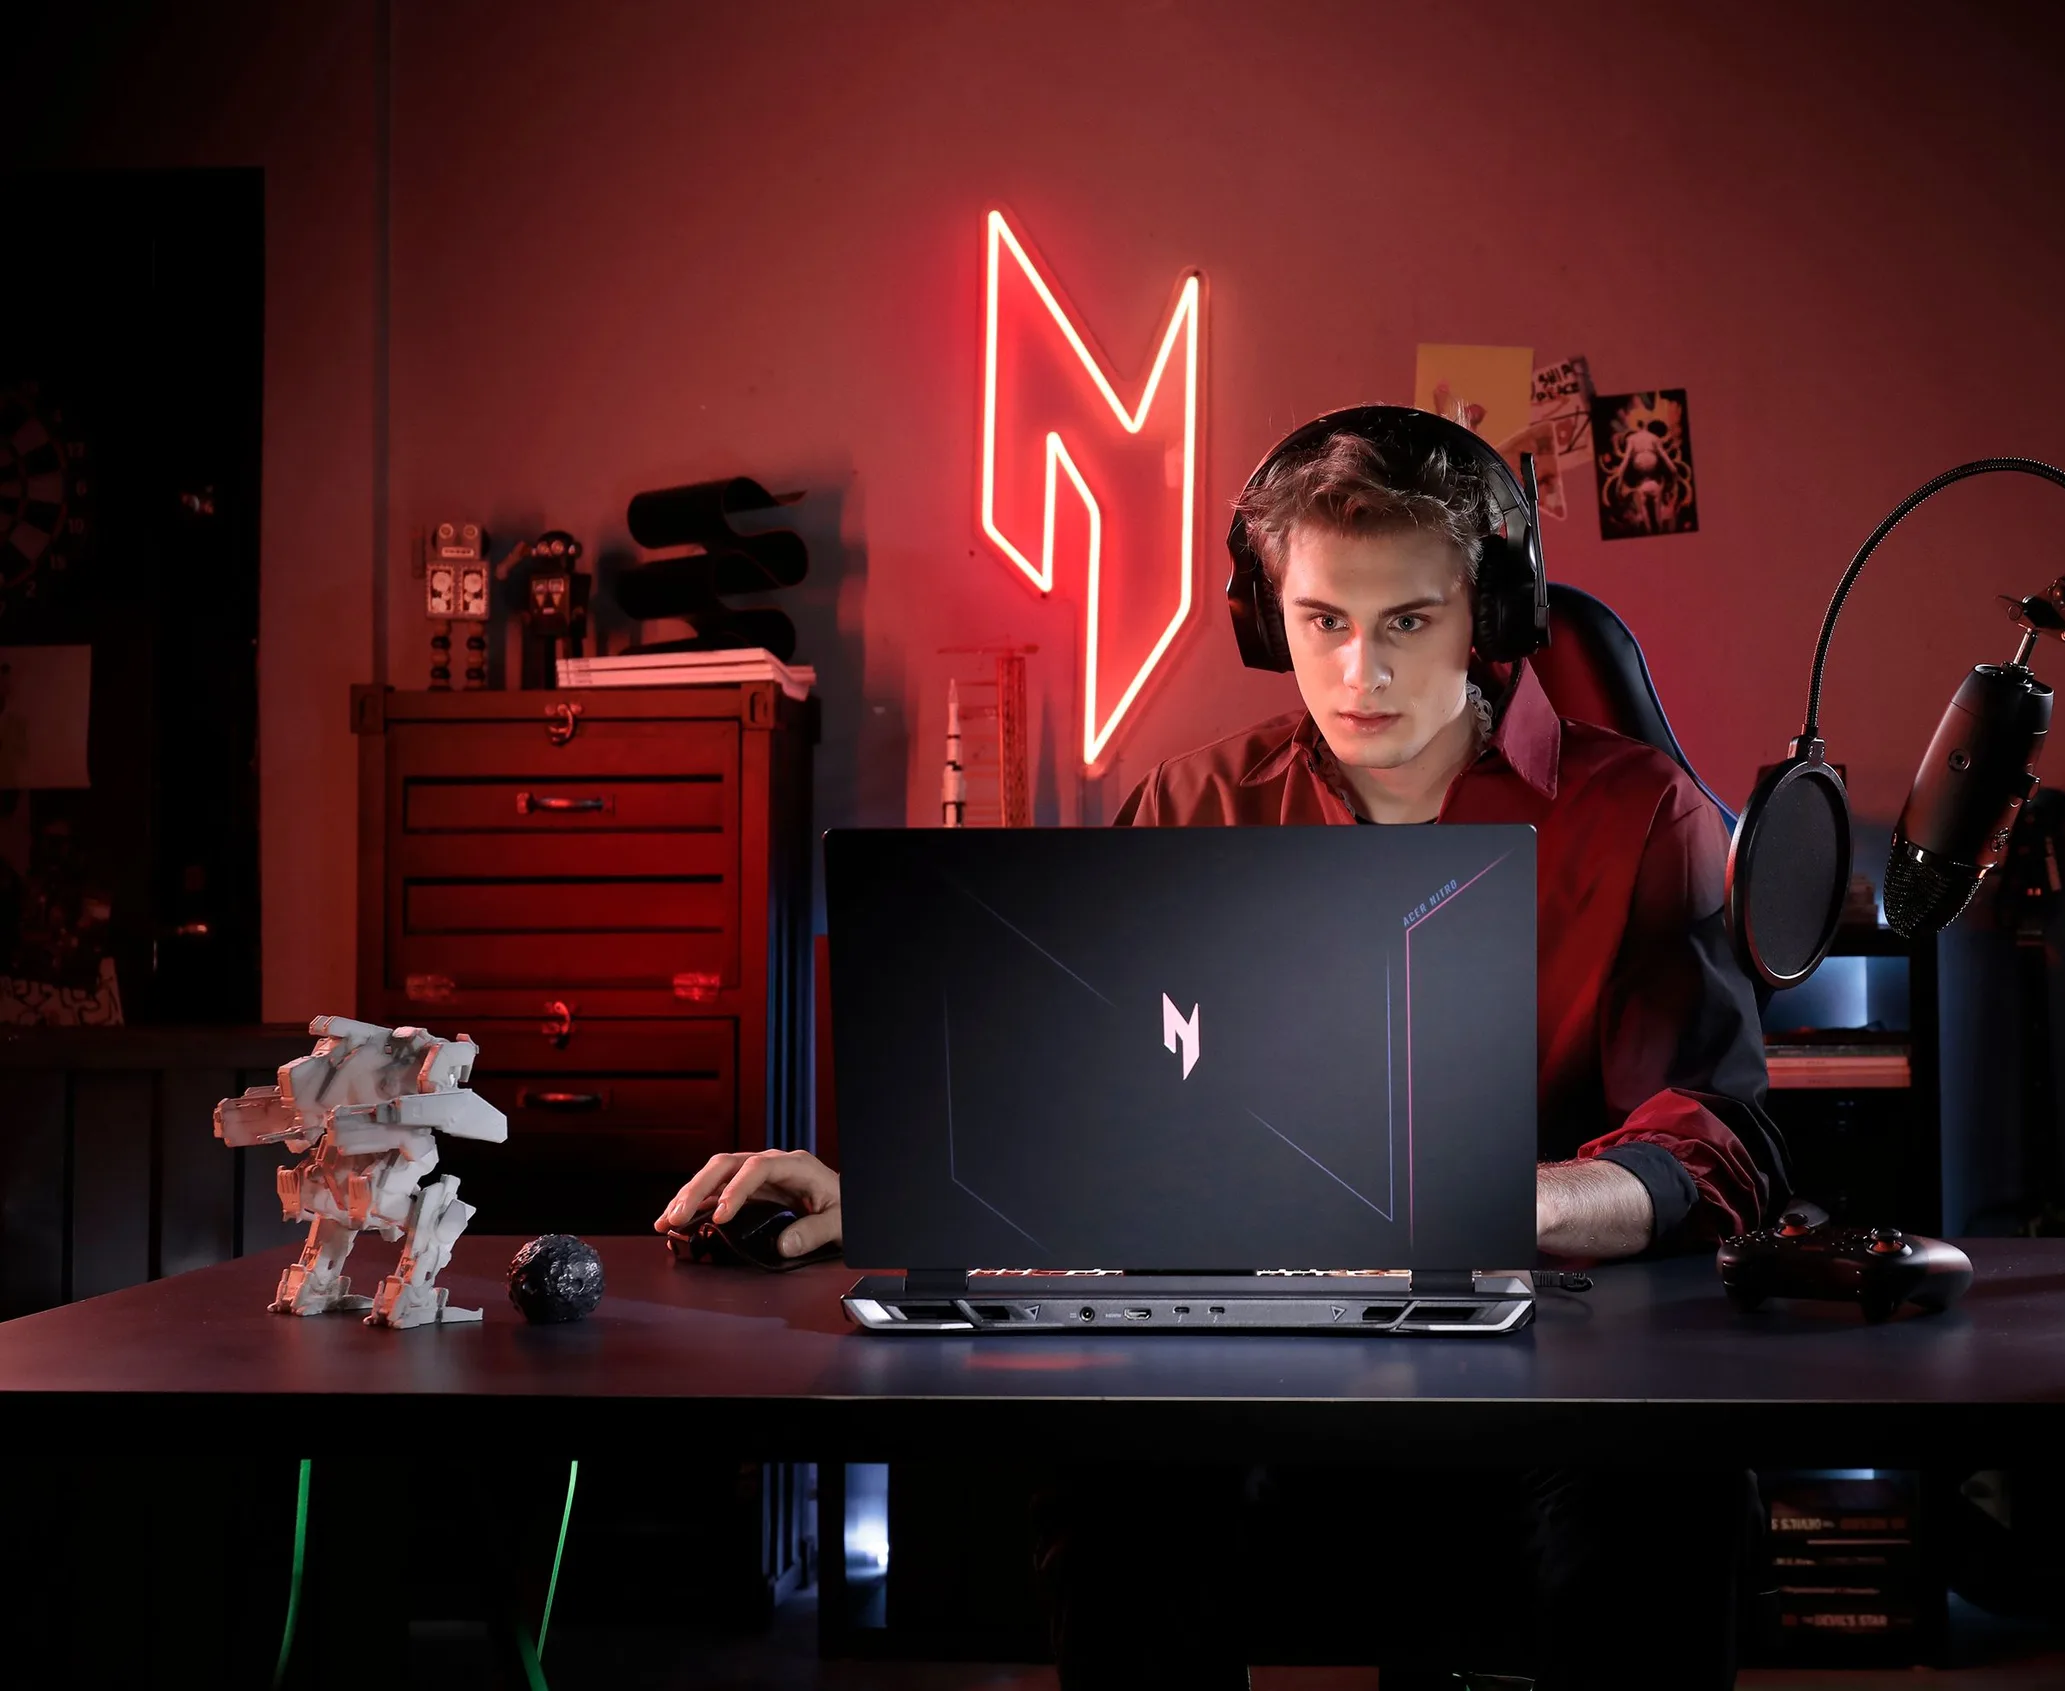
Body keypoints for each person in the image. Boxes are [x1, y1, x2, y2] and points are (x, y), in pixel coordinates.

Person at [657, 406, 1787, 1687]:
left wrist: (1503, 1203)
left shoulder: (1643, 813)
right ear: (1267, 620)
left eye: (1407, 622)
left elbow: (1713, 1140)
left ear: (1488, 615)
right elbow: (1100, 1120)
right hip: (1260, 1352)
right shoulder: (1193, 803)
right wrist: (883, 1194)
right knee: (1118, 1485)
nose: (1360, 672)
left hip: (1547, 1356)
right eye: (1323, 622)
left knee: (1657, 1490)